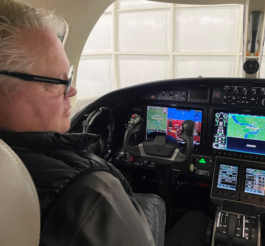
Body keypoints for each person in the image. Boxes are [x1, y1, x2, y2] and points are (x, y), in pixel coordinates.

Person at [0, 1, 165, 245]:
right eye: (58, 81)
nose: (73, 90)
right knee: (157, 201)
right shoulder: (90, 196)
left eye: (70, 76)